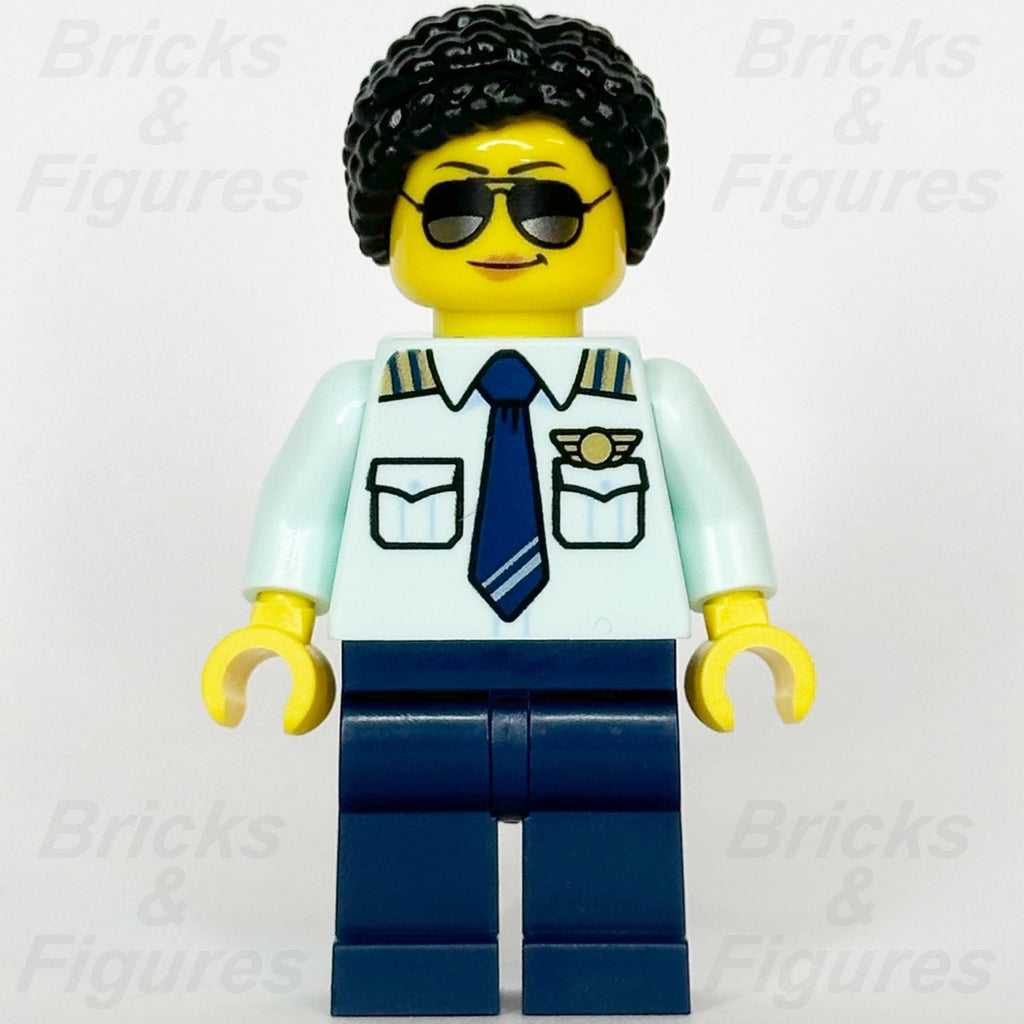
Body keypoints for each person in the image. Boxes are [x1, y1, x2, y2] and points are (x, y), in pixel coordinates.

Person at [202, 5, 815, 1016]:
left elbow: (714, 513)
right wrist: (278, 624)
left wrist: (739, 623)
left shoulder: (650, 395)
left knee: (614, 837)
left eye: (547, 209)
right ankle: (412, 971)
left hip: (610, 672)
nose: (500, 237)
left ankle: (610, 969)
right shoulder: (364, 397)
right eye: (452, 209)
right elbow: (304, 516)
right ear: (390, 224)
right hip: (407, 672)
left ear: (624, 222)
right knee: (405, 840)